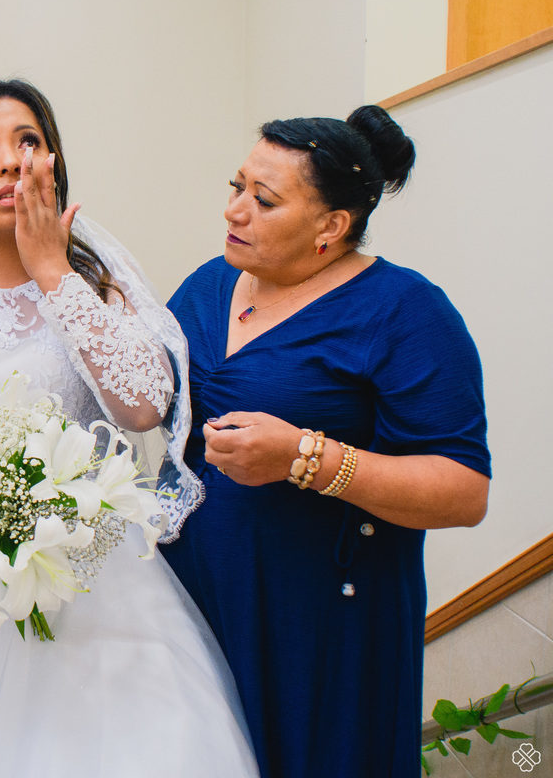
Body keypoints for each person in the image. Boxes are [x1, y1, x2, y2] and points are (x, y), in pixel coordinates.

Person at [0, 79, 259, 777]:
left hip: (101, 585)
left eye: (28, 141)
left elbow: (143, 407)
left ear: (52, 163)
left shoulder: (94, 281)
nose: (10, 162)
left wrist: (53, 271)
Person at [161, 106, 490, 777]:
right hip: (194, 598)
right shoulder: (207, 285)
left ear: (331, 225)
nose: (234, 211)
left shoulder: (404, 311)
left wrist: (304, 458)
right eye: (236, 187)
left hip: (317, 624)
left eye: (264, 199)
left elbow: (464, 492)